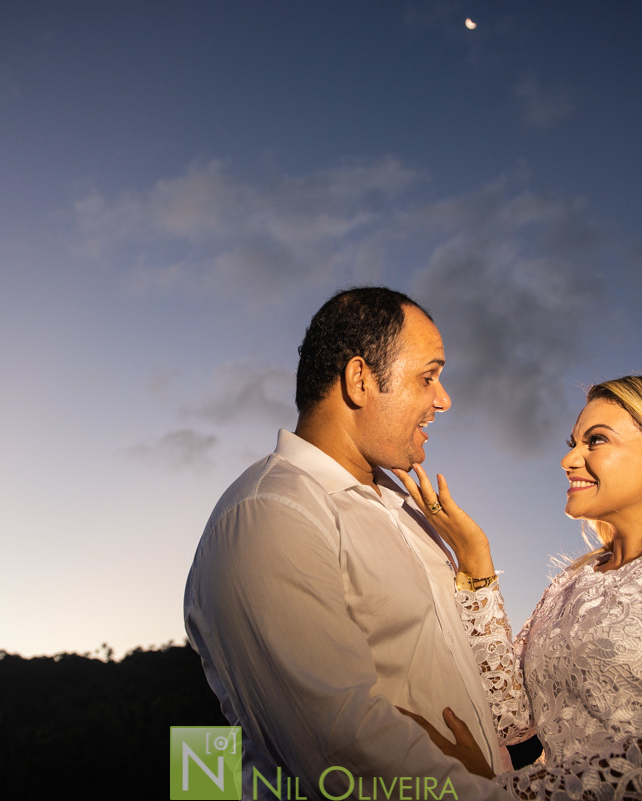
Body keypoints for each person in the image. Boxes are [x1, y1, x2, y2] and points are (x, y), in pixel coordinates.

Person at [184, 287, 511, 800]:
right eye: (428, 376)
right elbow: (340, 745)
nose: (443, 399)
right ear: (360, 379)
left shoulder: (405, 509)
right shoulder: (269, 511)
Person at [397, 375, 642, 800]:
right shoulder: (573, 582)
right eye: (573, 442)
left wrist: (508, 794)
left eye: (596, 441)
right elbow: (511, 719)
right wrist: (476, 562)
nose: (568, 459)